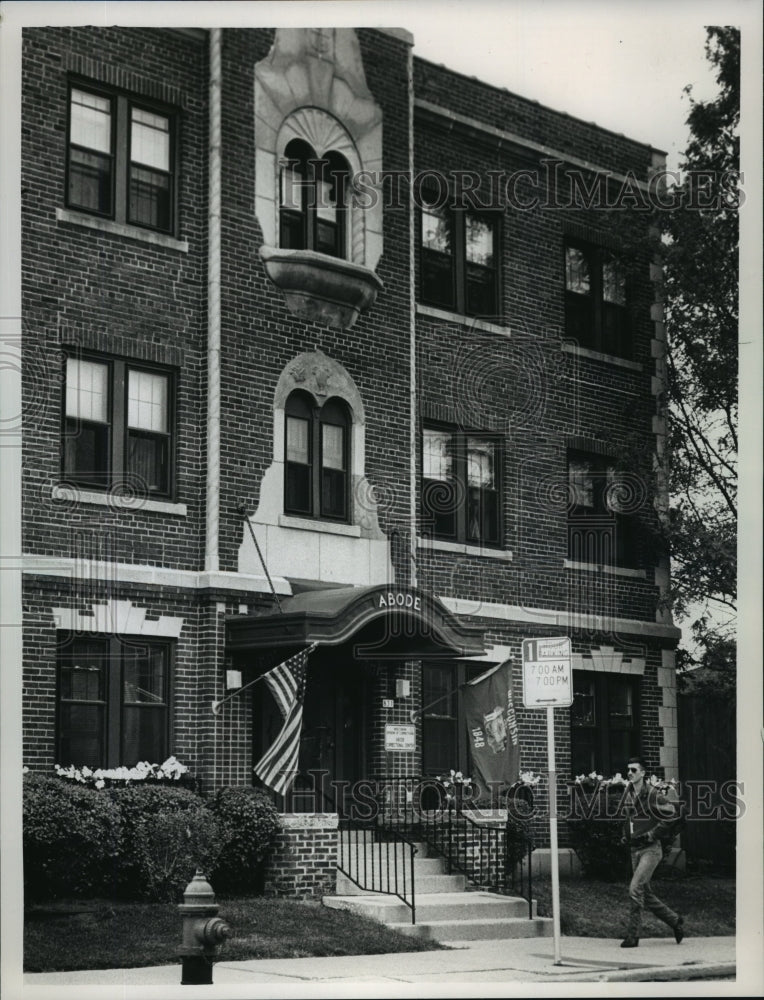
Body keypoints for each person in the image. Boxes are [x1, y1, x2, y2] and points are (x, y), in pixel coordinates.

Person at [619, 755, 685, 948]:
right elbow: (628, 818)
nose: (630, 773)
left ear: (643, 773)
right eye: (628, 770)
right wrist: (625, 835)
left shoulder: (653, 794)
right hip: (634, 849)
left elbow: (672, 814)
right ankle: (675, 922)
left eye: (634, 770)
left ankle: (633, 936)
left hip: (650, 850)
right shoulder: (628, 792)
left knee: (634, 889)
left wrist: (652, 835)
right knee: (645, 895)